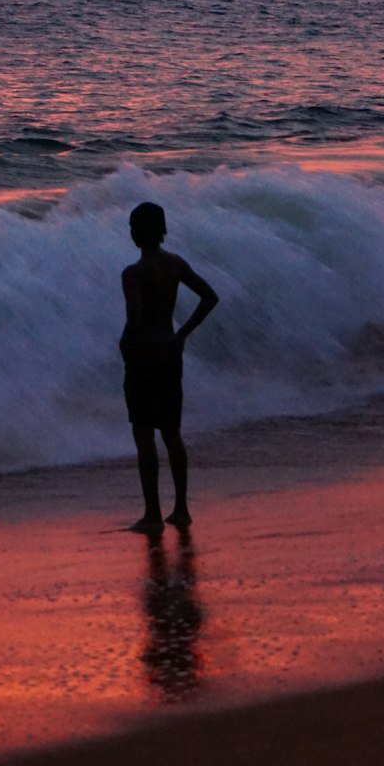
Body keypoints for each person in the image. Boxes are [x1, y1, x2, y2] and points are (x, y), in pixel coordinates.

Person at [120, 202, 219, 533]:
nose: (131, 233)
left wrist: (125, 347)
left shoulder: (133, 274)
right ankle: (181, 509)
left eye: (133, 227)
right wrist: (182, 335)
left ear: (140, 232)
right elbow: (210, 297)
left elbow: (134, 318)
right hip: (169, 352)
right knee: (172, 433)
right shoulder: (175, 264)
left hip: (145, 356)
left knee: (144, 435)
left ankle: (151, 514)